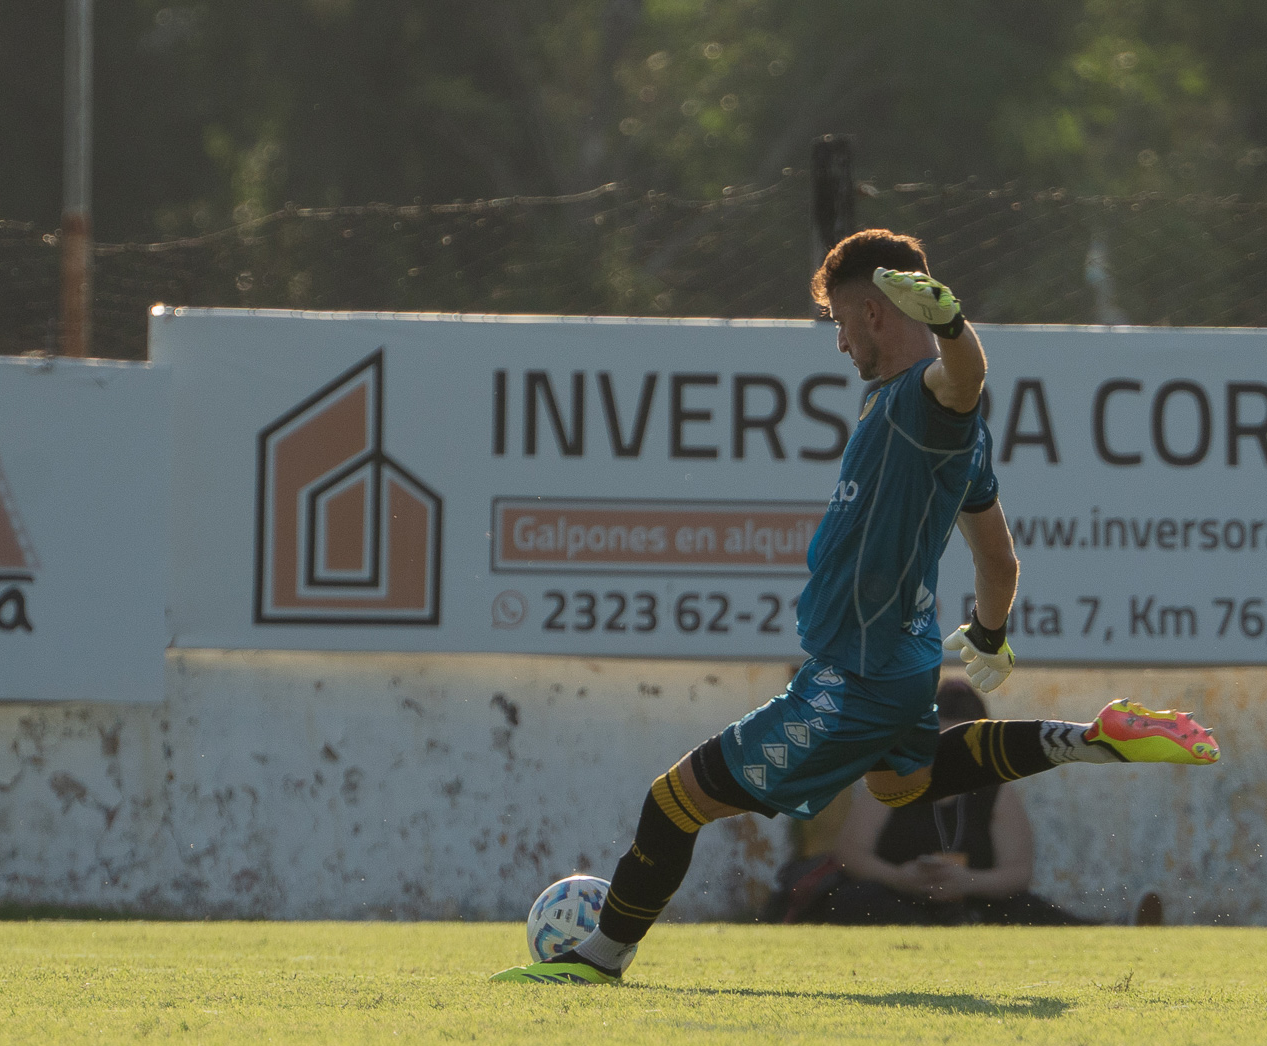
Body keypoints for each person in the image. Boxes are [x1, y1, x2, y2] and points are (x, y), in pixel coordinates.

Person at [491, 229, 1220, 984]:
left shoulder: (923, 399)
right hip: (901, 665)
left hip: (854, 678)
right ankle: (1091, 737)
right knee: (901, 783)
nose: (838, 341)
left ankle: (598, 957)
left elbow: (966, 375)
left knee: (673, 800)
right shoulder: (935, 429)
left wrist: (948, 322)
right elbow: (999, 557)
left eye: (841, 320)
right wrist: (992, 633)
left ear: (877, 313)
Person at [811, 680, 1093, 926]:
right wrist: (900, 878)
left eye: (962, 745)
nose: (949, 755)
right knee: (857, 900)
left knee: (1026, 910)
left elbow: (1018, 871)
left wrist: (967, 882)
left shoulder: (996, 792)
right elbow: (850, 852)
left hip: (972, 905)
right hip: (897, 901)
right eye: (940, 742)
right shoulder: (895, 779)